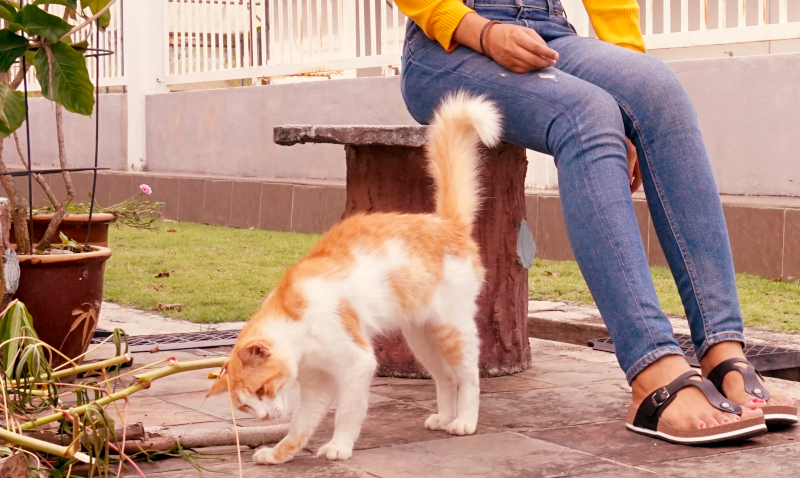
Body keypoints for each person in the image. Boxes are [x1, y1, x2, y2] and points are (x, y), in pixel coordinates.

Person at [394, 0, 798, 444]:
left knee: (658, 89)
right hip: (446, 44)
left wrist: (632, 104)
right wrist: (481, 30)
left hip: (549, 28)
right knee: (585, 114)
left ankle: (724, 352)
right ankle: (652, 368)